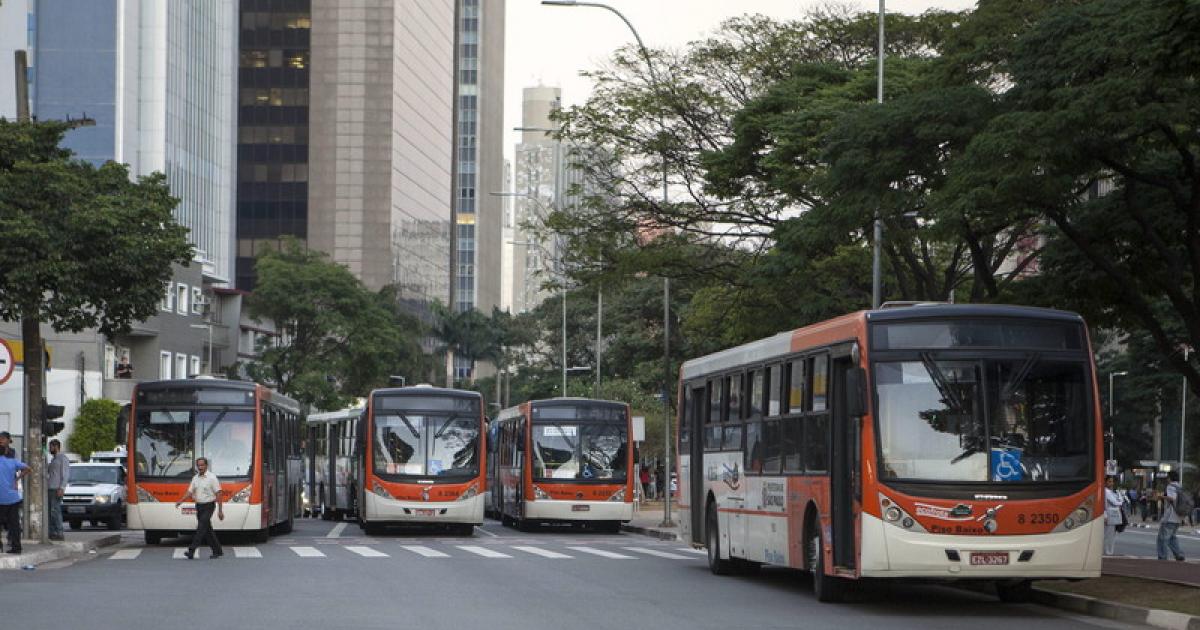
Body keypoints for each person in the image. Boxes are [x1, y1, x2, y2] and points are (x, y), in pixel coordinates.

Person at [174, 457, 224, 559]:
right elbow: (190, 492)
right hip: (199, 506)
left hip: (209, 506)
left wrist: (220, 511)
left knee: (201, 528)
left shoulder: (212, 478)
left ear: (206, 466)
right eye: (198, 465)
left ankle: (191, 551)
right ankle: (217, 551)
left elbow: (219, 493)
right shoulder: (195, 478)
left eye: (202, 465)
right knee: (207, 530)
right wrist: (181, 501)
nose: (200, 467)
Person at [0, 449, 29, 553]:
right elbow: (28, 468)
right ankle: (17, 547)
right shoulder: (13, 462)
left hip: (1, 498)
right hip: (13, 497)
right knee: (14, 524)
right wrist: (17, 479)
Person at [1156, 471, 1186, 561]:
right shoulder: (1180, 487)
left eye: (1168, 477)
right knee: (1172, 537)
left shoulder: (1170, 486)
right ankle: (1179, 554)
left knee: (1162, 538)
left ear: (1170, 478)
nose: (1167, 479)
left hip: (1170, 516)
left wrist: (1161, 497)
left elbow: (1172, 498)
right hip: (1179, 516)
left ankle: (1162, 556)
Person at [46, 439, 69, 541]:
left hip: (56, 488)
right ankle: (52, 532)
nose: (50, 449)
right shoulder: (53, 459)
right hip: (50, 488)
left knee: (55, 511)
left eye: (51, 447)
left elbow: (65, 474)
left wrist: (62, 487)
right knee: (50, 512)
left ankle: (59, 532)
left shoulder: (62, 458)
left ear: (56, 447)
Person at [1103, 476, 1127, 555]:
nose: (1111, 483)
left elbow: (1120, 501)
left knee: (1111, 534)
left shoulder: (1112, 491)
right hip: (1109, 514)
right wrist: (1120, 499)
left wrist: (1119, 496)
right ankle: (1108, 552)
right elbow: (1116, 502)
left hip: (1113, 515)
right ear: (1105, 482)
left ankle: (1108, 551)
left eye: (1112, 482)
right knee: (1109, 535)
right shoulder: (1106, 491)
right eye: (1109, 481)